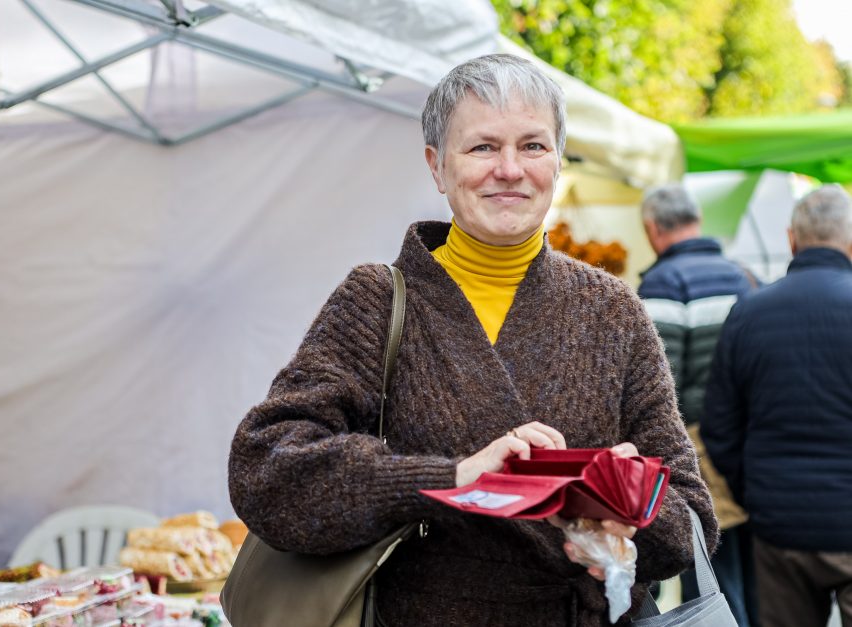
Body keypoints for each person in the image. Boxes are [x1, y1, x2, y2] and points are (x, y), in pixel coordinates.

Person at [228, 53, 716, 626]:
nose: (509, 169)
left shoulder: (615, 312)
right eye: (483, 147)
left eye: (532, 146)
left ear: (558, 162)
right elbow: (266, 470)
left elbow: (691, 525)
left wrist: (623, 506)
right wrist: (453, 479)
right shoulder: (377, 301)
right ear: (437, 166)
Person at [702, 185, 852, 627]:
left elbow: (719, 426)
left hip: (777, 524)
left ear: (791, 239)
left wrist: (754, 488)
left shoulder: (749, 311)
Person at [637, 184, 758, 626]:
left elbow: (657, 388)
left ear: (652, 229)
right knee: (742, 574)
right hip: (746, 445)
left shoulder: (664, 283)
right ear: (698, 220)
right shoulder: (742, 276)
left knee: (708, 581)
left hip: (697, 447)